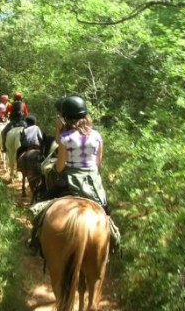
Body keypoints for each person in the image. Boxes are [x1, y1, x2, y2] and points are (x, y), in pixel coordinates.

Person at [29, 95, 120, 254]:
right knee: (106, 211)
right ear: (85, 115)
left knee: (41, 206)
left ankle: (35, 240)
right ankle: (113, 241)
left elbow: (60, 166)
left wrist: (57, 169)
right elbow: (98, 165)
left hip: (69, 181)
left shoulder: (65, 138)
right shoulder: (97, 136)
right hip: (93, 183)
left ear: (65, 118)